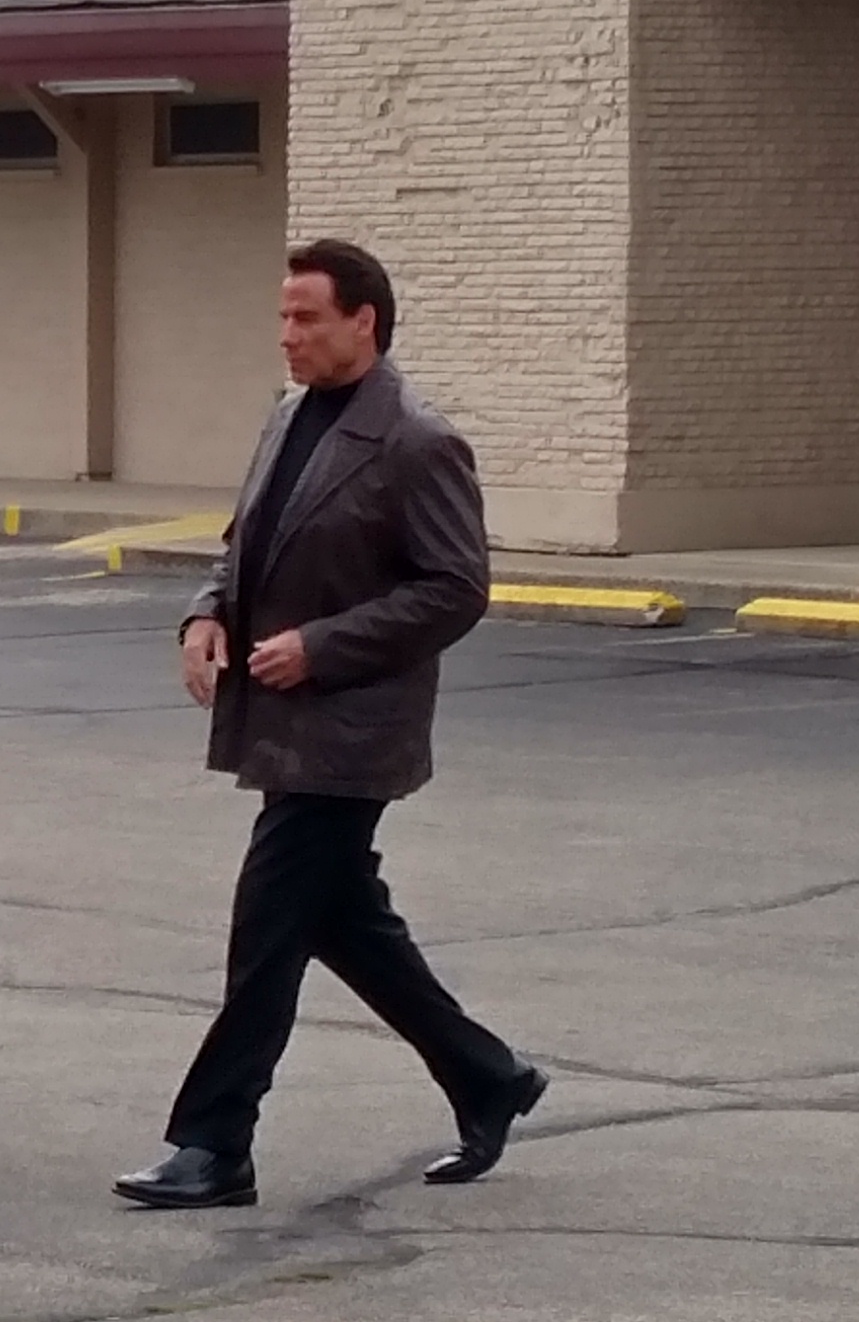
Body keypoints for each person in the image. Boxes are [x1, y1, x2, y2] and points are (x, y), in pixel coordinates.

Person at [122, 237, 549, 1212]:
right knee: (343, 923)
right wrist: (203, 612)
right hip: (284, 724)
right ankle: (488, 1077)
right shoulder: (287, 418)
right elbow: (247, 547)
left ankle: (213, 1141)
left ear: (364, 321)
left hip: (352, 731)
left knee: (266, 930)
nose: (288, 336)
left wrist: (323, 645)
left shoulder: (415, 439)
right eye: (281, 317)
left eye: (306, 317)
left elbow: (455, 588)